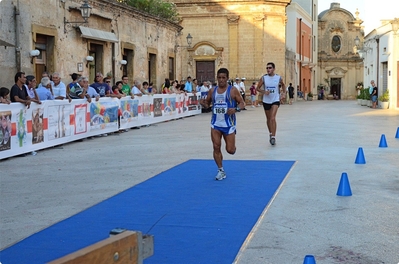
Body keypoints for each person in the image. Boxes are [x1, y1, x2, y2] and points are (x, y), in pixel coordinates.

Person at [200, 68, 245, 181]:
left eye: (223, 78)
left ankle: (233, 142)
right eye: (219, 77)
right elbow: (207, 104)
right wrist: (203, 103)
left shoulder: (233, 90)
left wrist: (235, 109)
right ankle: (220, 170)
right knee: (216, 146)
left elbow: (242, 103)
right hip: (215, 124)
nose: (221, 80)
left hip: (229, 124)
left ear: (227, 78)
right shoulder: (212, 91)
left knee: (230, 150)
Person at [256, 62, 285, 146]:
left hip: (275, 99)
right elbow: (257, 88)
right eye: (267, 68)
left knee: (272, 118)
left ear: (273, 69)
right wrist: (264, 91)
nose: (268, 69)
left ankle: (273, 136)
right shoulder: (264, 78)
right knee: (268, 119)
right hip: (266, 100)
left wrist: (283, 93)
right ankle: (270, 133)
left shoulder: (278, 78)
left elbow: (283, 85)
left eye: (270, 68)